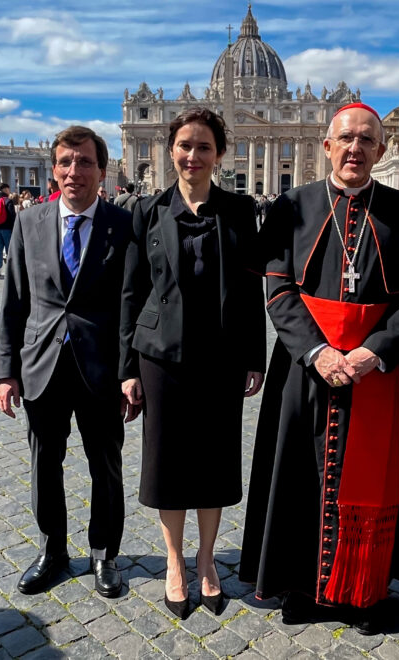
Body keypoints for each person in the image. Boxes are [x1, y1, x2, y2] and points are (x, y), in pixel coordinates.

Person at [240, 103, 399, 633]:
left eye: (367, 140)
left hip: (376, 374)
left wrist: (375, 352)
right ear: (326, 146)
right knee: (299, 476)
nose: (355, 149)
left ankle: (365, 589)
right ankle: (300, 586)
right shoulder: (292, 206)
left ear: (381, 151)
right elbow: (278, 291)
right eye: (346, 138)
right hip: (305, 369)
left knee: (375, 480)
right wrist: (318, 352)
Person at [120, 108, 266, 619]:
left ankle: (207, 560)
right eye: (184, 145)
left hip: (221, 356)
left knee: (215, 460)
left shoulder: (241, 210)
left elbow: (252, 289)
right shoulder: (147, 210)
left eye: (204, 147)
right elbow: (132, 291)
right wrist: (128, 368)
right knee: (167, 463)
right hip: (161, 357)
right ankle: (174, 561)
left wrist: (255, 356)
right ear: (171, 150)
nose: (192, 155)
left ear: (219, 155)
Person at [0, 126, 132, 597]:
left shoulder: (123, 223)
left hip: (102, 367)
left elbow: (135, 306)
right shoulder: (29, 222)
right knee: (44, 463)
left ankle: (104, 554)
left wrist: (131, 371)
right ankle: (52, 549)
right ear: (54, 169)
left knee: (106, 466)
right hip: (41, 363)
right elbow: (14, 299)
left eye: (85, 162)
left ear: (102, 169)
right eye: (66, 162)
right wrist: (5, 371)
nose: (75, 172)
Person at [0, 183, 16, 277]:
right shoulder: (8, 200)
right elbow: (12, 216)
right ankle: (11, 269)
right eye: (8, 189)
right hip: (7, 228)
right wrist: (14, 227)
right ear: (5, 189)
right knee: (10, 249)